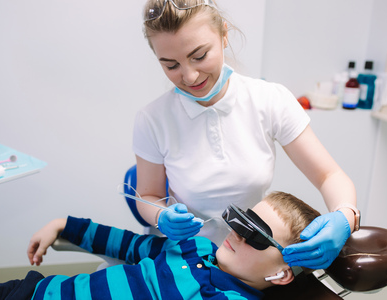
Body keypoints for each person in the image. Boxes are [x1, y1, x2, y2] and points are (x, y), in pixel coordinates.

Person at [133, 0, 359, 270]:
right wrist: (161, 217)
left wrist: (345, 216)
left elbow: (328, 176)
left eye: (200, 56)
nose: (190, 76)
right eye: (171, 66)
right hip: (183, 258)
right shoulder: (153, 119)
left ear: (224, 34)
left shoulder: (269, 100)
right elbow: (147, 194)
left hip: (247, 261)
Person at [0, 191, 320, 300]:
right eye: (240, 221)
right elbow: (126, 245)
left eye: (255, 235)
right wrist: (64, 224)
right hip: (32, 290)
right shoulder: (197, 247)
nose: (237, 234)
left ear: (281, 272)